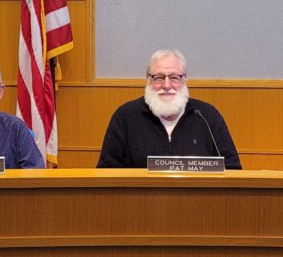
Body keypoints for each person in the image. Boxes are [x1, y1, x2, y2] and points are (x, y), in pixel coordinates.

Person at [98, 49, 241, 169]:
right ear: (148, 80)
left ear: (184, 80)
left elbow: (233, 170)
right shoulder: (125, 117)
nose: (167, 85)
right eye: (159, 78)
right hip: (141, 202)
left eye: (174, 78)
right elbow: (106, 172)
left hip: (198, 202)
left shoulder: (207, 116)